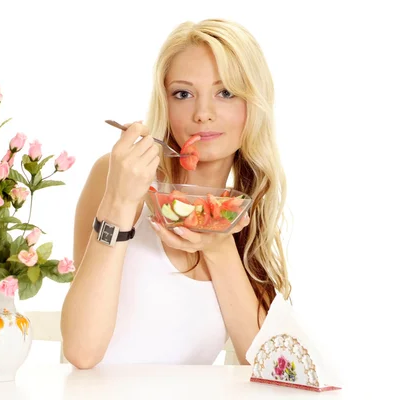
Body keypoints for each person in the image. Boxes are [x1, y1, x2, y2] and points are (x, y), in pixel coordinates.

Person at [60, 18, 292, 369]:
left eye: (225, 92)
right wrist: (120, 204)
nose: (203, 114)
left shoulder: (243, 209)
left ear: (253, 106)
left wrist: (218, 246)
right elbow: (81, 351)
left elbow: (266, 361)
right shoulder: (119, 177)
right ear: (165, 104)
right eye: (183, 94)